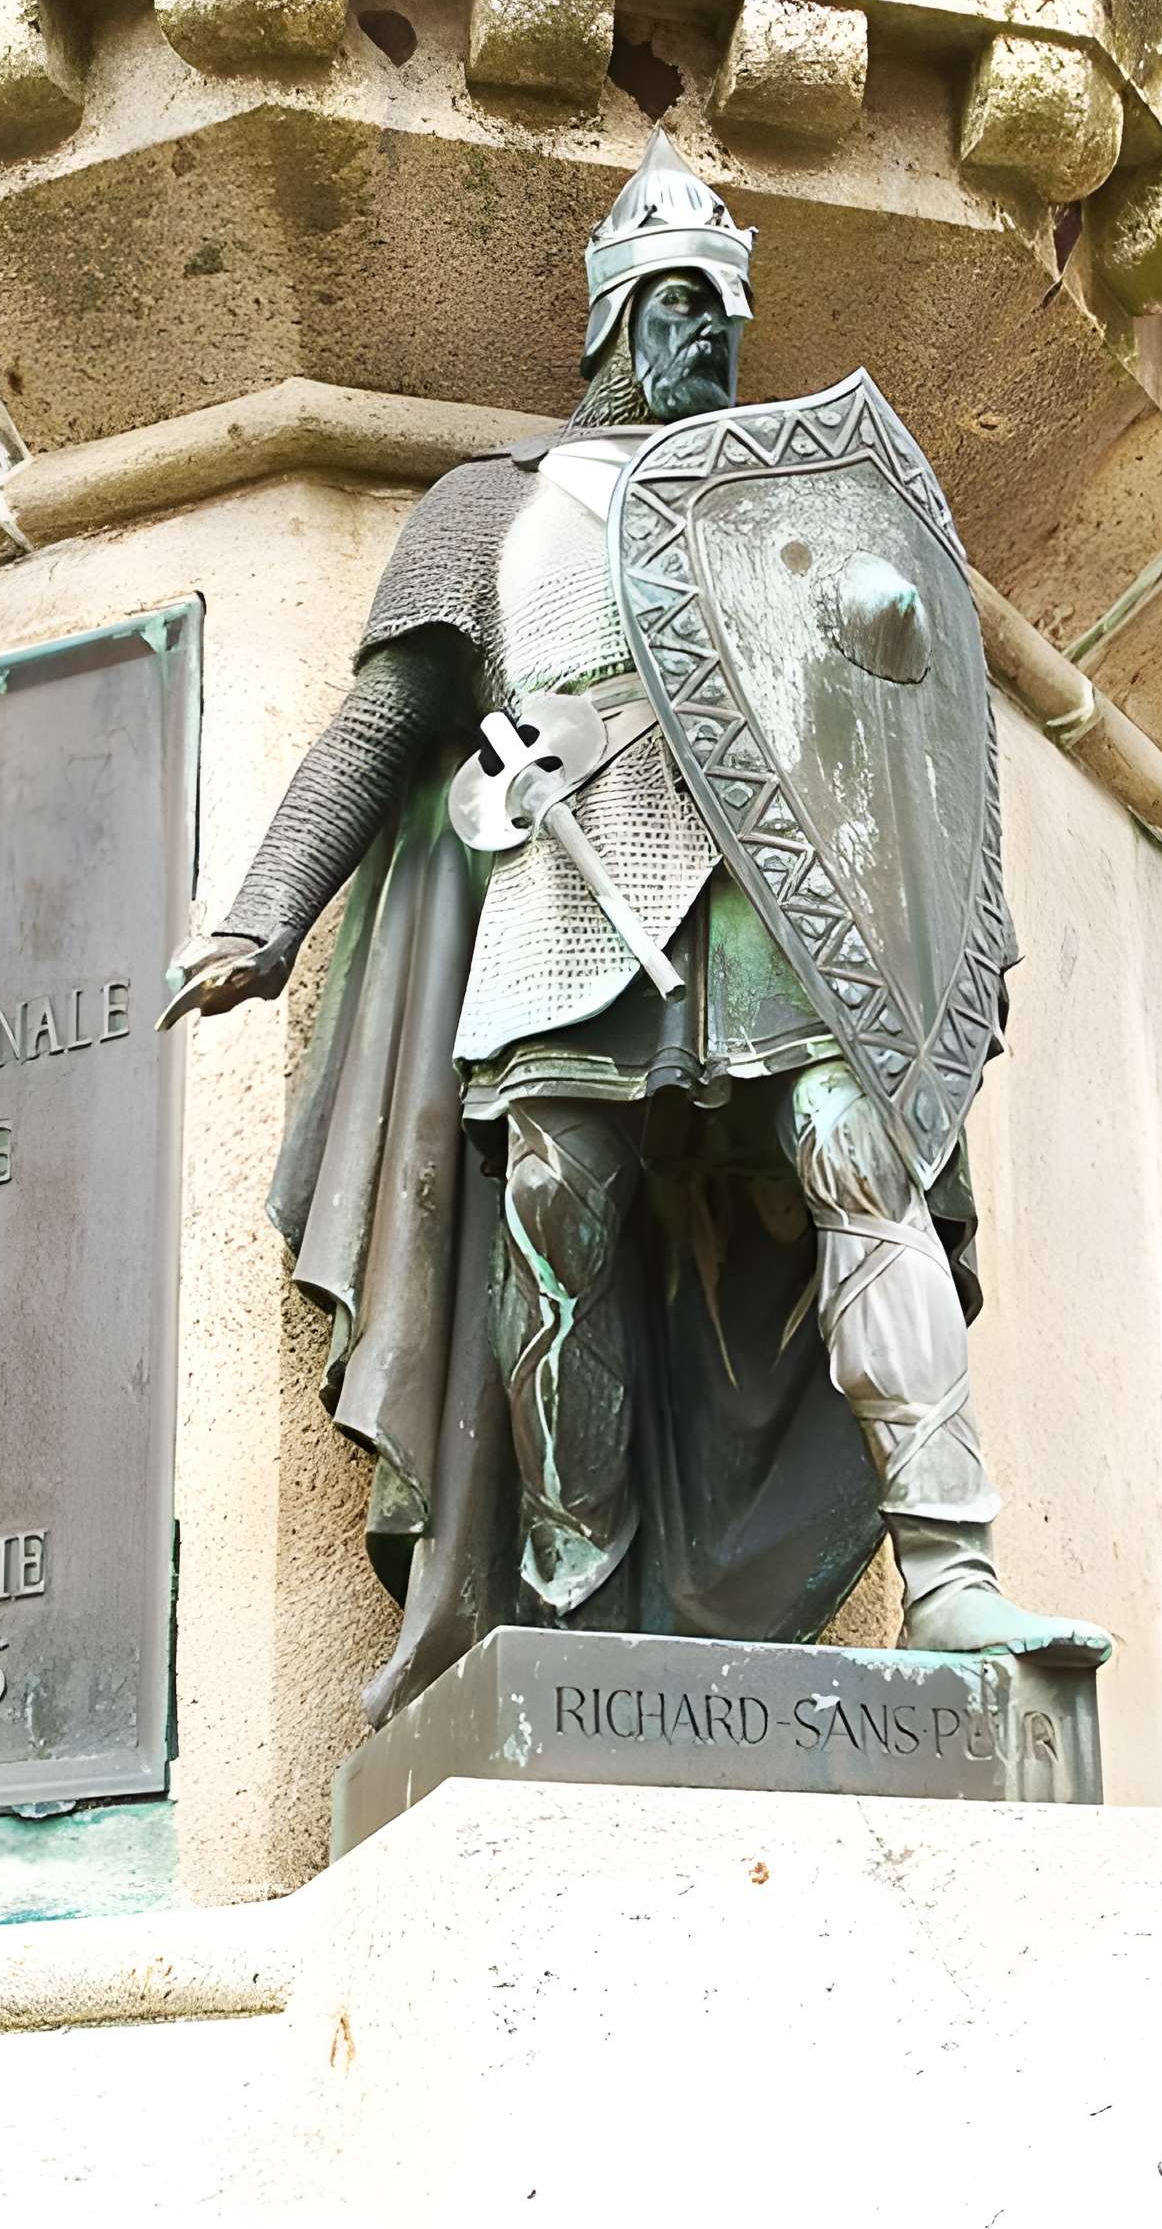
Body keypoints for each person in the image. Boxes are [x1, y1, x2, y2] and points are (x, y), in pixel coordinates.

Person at [164, 131, 1108, 1725]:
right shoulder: (489, 507)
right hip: (567, 893)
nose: (709, 337)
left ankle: (950, 1570)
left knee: (857, 1150)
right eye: (679, 305)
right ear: (612, 317)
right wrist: (261, 919)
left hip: (769, 898)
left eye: (725, 313)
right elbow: (381, 728)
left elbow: (903, 733)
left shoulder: (784, 505)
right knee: (556, 1202)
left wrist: (951, 919)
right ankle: (571, 1579)